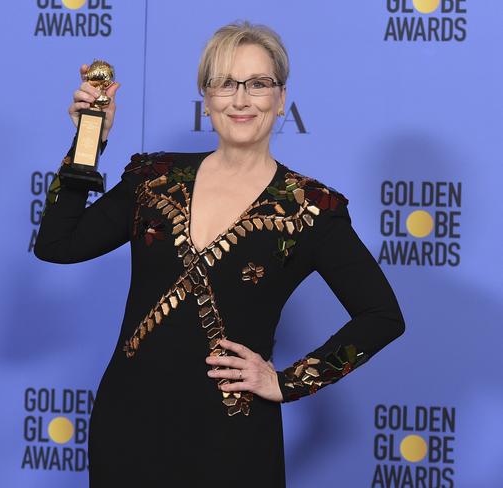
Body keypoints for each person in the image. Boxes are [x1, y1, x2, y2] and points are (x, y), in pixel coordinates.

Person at [34, 20, 405, 488]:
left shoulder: (309, 208)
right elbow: (57, 246)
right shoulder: (155, 180)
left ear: (282, 98)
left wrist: (287, 382)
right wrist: (89, 142)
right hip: (128, 426)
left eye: (258, 83)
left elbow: (383, 315)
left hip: (233, 439)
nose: (241, 98)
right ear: (206, 99)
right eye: (225, 83)